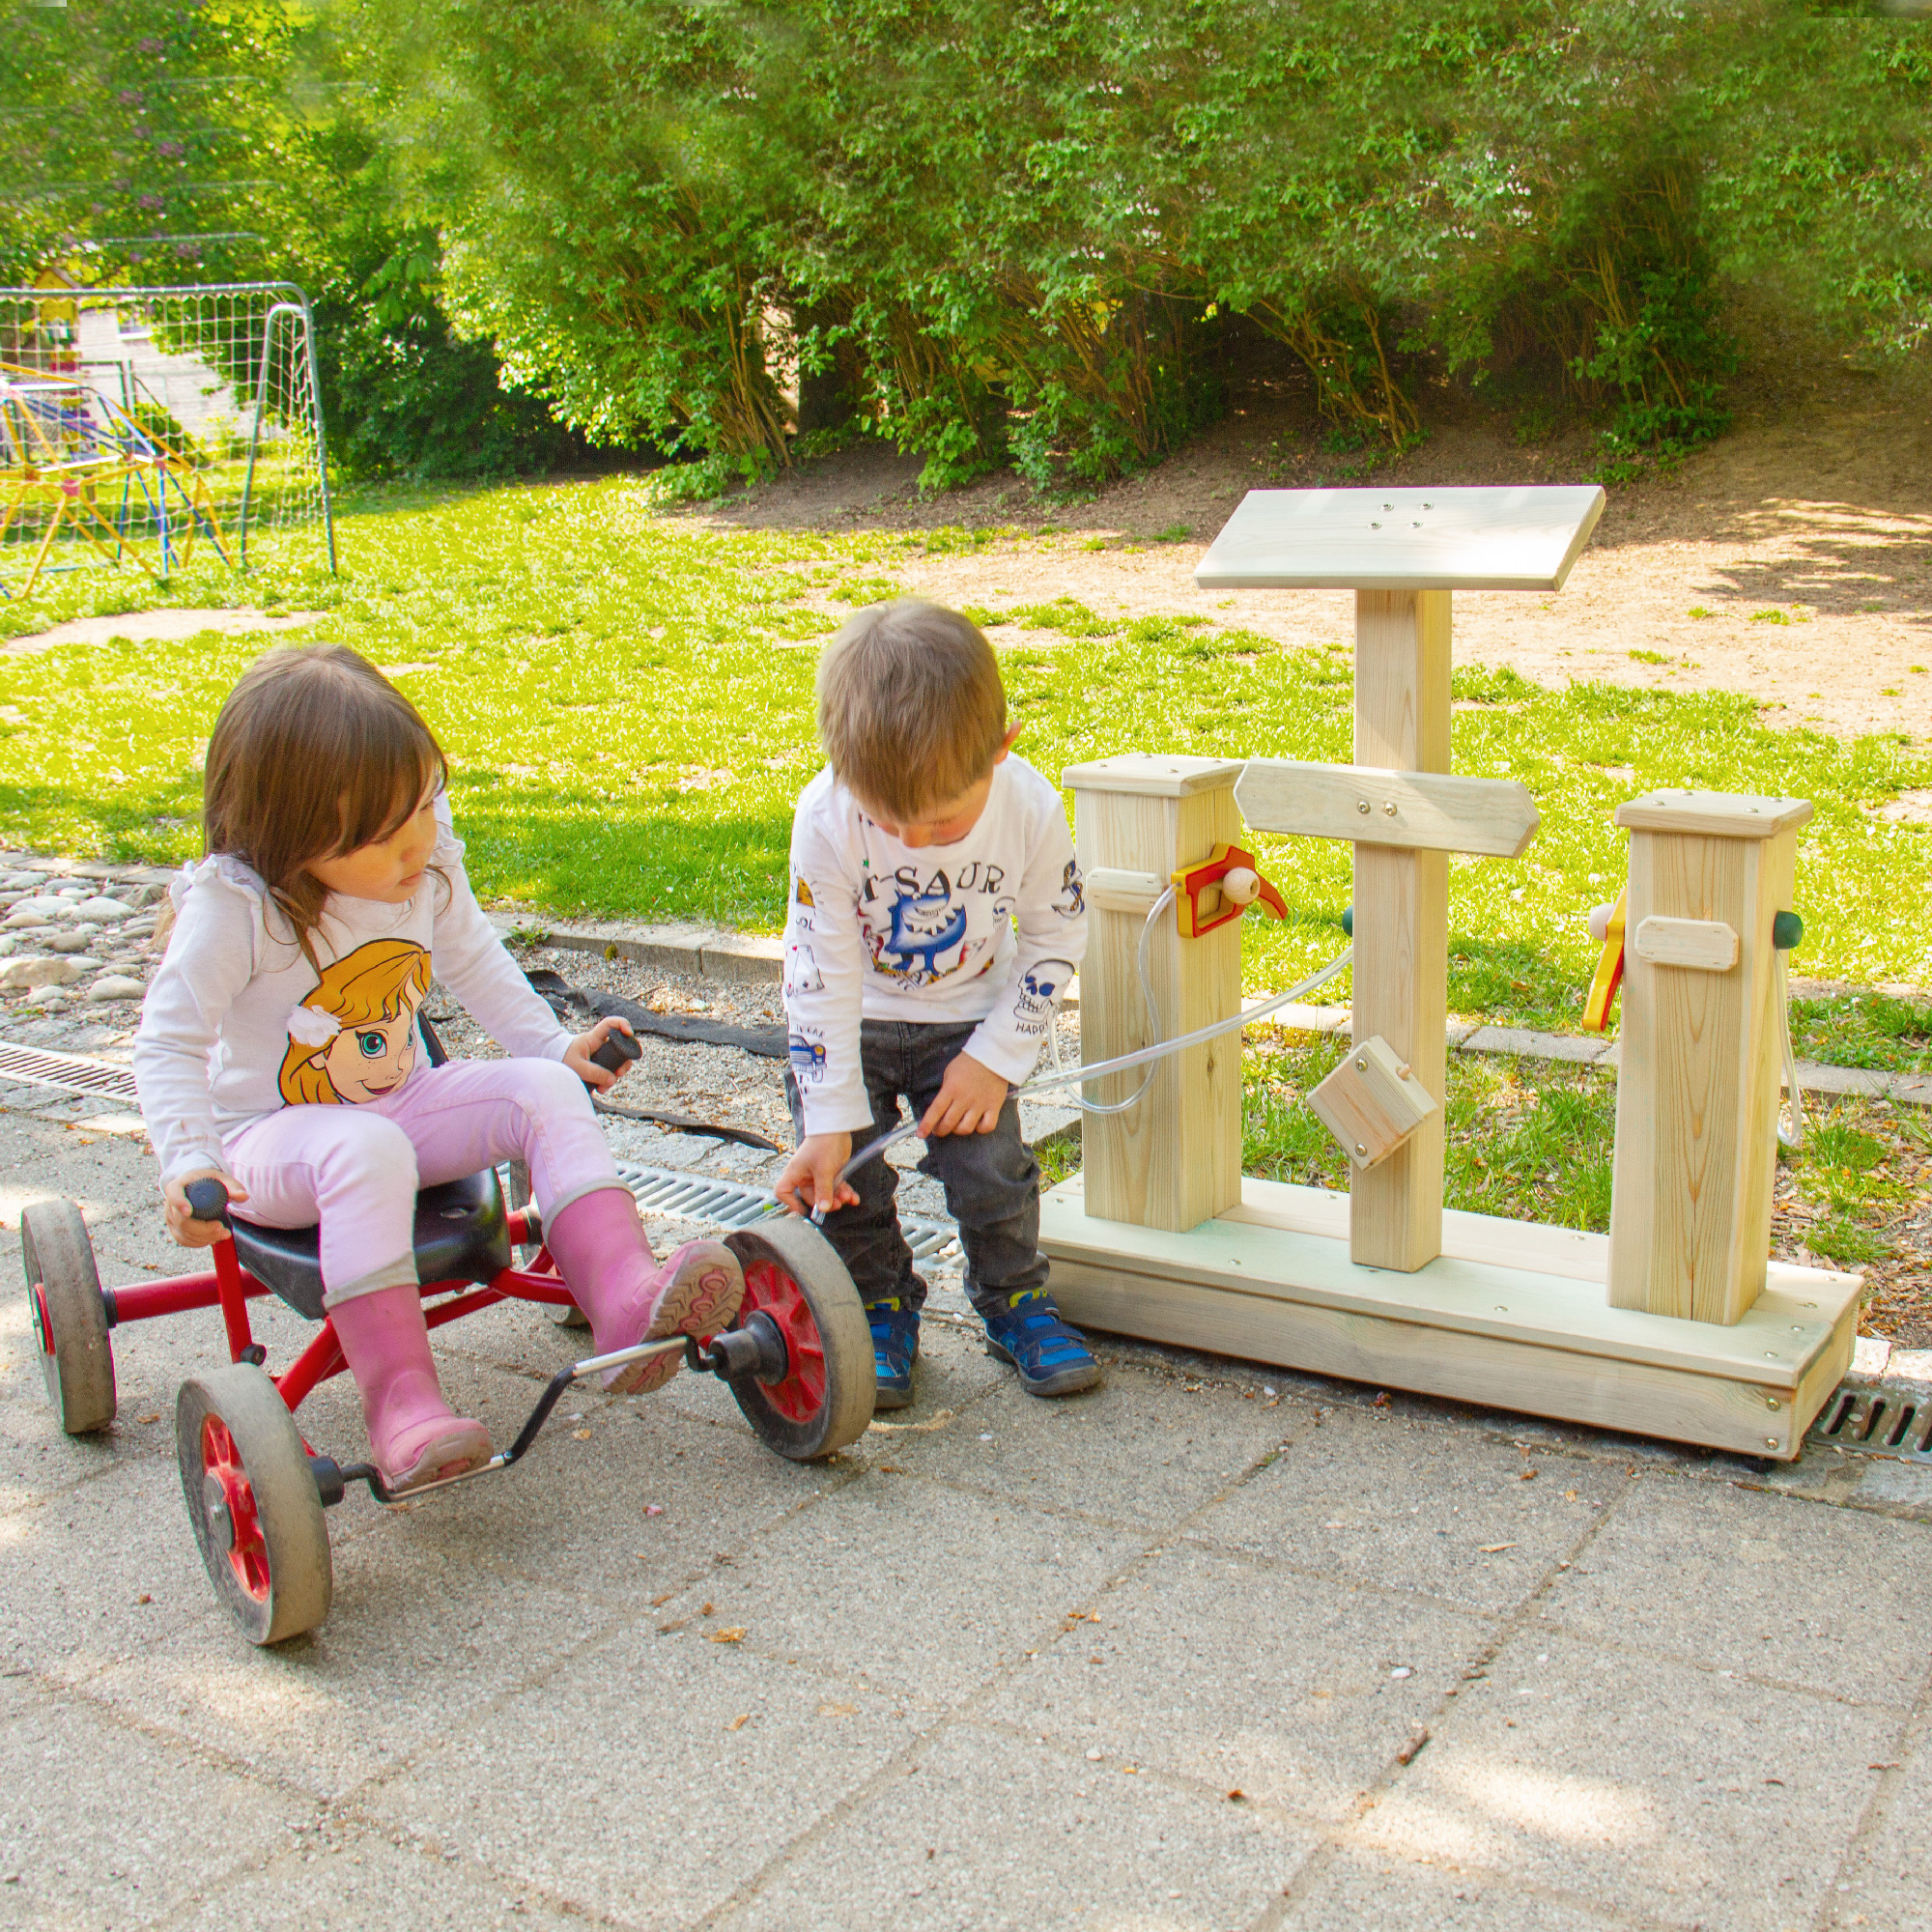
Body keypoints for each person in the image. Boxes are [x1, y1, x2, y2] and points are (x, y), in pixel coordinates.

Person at [132, 644, 744, 1492]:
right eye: (387, 832)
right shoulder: (238, 911)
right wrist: (188, 1159)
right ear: (293, 838)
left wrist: (548, 1050)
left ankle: (623, 1298)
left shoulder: (422, 866)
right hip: (268, 1144)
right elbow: (167, 1043)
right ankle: (401, 1405)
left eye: (425, 803)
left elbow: (476, 959)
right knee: (363, 1151)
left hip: (400, 1100)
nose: (421, 838)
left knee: (543, 1091)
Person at [774, 598, 1096, 1408]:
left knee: (992, 1175)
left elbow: (1058, 936)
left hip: (970, 1023)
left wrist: (994, 1059)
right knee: (850, 1182)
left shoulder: (1029, 807)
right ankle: (877, 1305)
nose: (914, 844)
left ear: (1003, 750)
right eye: (890, 824)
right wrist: (828, 1118)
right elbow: (819, 975)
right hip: (855, 1022)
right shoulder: (826, 818)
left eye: (944, 821)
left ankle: (1014, 1299)